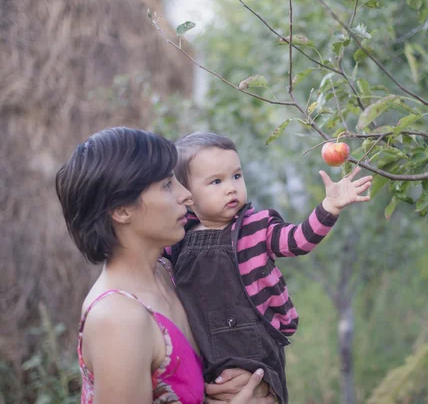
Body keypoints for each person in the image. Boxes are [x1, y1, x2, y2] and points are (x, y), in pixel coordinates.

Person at [55, 127, 274, 404]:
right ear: (122, 210)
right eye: (168, 185)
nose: (187, 195)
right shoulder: (119, 319)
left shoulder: (171, 272)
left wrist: (243, 381)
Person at [165, 132, 373, 403]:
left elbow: (298, 240)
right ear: (187, 196)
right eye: (216, 181)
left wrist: (329, 207)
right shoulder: (178, 238)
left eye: (236, 176)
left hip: (255, 350)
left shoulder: (256, 227)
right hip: (205, 352)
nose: (231, 187)